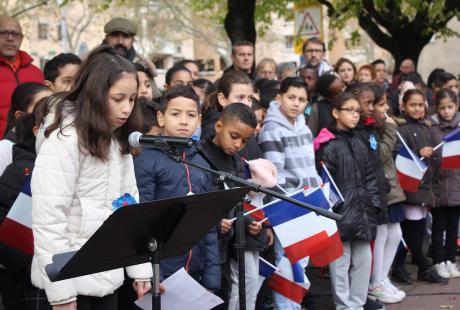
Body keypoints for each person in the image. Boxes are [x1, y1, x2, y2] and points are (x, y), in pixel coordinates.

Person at [30, 45, 153, 309]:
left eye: (132, 99)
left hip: (106, 275)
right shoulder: (65, 138)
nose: (126, 109)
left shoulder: (117, 137)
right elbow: (48, 219)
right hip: (67, 280)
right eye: (118, 98)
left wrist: (140, 268)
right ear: (95, 95)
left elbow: (128, 207)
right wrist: (61, 293)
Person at [133, 85, 220, 292]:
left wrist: (212, 277)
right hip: (162, 269)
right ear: (161, 118)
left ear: (199, 119)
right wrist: (153, 274)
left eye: (191, 115)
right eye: (175, 114)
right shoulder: (146, 159)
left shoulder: (201, 160)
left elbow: (208, 226)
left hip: (196, 270)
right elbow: (142, 223)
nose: (183, 121)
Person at [315, 92, 384, 310]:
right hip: (342, 213)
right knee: (340, 262)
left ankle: (358, 303)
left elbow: (371, 175)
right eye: (350, 110)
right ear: (336, 112)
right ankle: (344, 306)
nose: (356, 115)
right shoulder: (327, 144)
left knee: (364, 260)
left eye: (357, 111)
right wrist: (336, 210)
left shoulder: (359, 140)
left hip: (363, 210)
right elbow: (325, 182)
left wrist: (374, 203)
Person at [197, 103, 267, 310]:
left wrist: (248, 223)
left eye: (245, 141)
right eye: (234, 136)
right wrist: (215, 222)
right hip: (205, 248)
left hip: (228, 245)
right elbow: (199, 202)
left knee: (226, 296)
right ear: (219, 126)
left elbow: (236, 204)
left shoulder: (237, 162)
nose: (238, 144)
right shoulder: (200, 157)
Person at [258, 77, 320, 309]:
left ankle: (293, 305)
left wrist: (316, 194)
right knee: (287, 264)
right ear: (279, 98)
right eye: (291, 97)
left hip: (308, 202)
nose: (296, 103)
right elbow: (273, 177)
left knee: (300, 263)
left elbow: (310, 168)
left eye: (301, 99)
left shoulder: (303, 126)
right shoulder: (271, 129)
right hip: (287, 205)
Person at [391, 89, 448, 284]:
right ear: (403, 107)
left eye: (420, 104)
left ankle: (401, 264)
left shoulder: (426, 127)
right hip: (411, 185)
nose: (417, 108)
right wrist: (418, 151)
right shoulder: (401, 129)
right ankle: (422, 265)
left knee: (419, 227)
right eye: (412, 105)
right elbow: (397, 155)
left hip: (425, 185)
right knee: (411, 228)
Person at [368, 85, 406, 304]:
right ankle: (375, 283)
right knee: (381, 235)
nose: (387, 109)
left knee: (395, 233)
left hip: (390, 187)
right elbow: (380, 155)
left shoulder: (383, 125)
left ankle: (383, 276)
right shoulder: (371, 129)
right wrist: (390, 130)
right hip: (379, 189)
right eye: (381, 105)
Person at [430, 89, 460, 278]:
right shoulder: (431, 127)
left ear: (456, 106)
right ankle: (438, 261)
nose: (446, 111)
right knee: (438, 226)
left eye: (450, 107)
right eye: (442, 108)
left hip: (456, 184)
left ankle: (450, 260)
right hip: (438, 185)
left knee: (453, 226)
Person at [0, 16, 44, 138]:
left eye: (15, 34)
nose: (10, 38)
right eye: (3, 33)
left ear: (21, 38)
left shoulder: (36, 73)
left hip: (30, 145)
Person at [201, 71, 261, 160]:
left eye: (250, 98)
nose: (247, 103)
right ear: (222, 99)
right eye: (240, 97)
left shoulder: (247, 125)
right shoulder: (212, 130)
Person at [0, 83, 51, 175]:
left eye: (53, 107)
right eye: (42, 108)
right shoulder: (4, 149)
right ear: (20, 116)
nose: (51, 114)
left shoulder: (51, 145)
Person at [103, 17, 161, 98]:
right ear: (107, 38)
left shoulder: (141, 64)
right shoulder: (95, 62)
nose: (120, 41)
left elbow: (155, 97)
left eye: (126, 36)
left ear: (133, 40)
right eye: (115, 36)